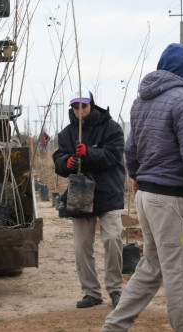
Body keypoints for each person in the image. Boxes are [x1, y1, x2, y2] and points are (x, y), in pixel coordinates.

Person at [102, 43, 183, 332]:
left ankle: (114, 327)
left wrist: (137, 177)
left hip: (147, 196)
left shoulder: (141, 101)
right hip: (170, 200)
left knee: (151, 266)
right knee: (181, 273)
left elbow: (131, 148)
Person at [53, 88, 126, 309]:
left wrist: (89, 153)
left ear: (91, 105)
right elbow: (59, 157)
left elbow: (114, 156)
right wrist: (67, 163)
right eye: (75, 107)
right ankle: (92, 292)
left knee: (113, 239)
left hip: (107, 191)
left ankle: (115, 289)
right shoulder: (66, 133)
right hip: (81, 195)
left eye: (83, 106)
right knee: (82, 246)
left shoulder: (111, 127)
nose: (80, 111)